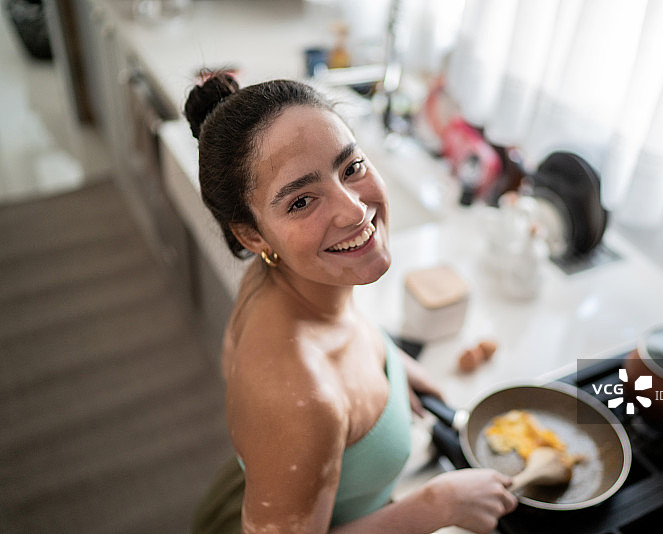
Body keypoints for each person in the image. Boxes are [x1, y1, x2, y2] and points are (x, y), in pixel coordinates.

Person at [184, 73, 517, 534]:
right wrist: (436, 506)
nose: (354, 210)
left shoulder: (284, 279)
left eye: (351, 168)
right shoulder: (302, 398)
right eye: (301, 201)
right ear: (253, 234)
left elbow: (339, 329)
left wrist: (391, 365)